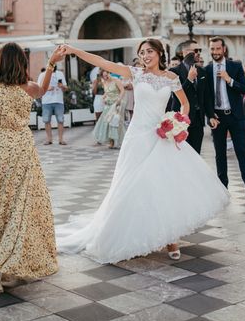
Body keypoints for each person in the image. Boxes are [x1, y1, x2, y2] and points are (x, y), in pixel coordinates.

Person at [55, 39, 229, 263]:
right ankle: (129, 234)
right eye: (142, 52)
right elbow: (101, 61)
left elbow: (184, 105)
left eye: (149, 51)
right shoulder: (135, 73)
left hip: (162, 137)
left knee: (163, 186)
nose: (145, 56)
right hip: (138, 137)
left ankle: (171, 237)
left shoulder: (172, 78)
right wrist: (74, 50)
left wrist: (177, 122)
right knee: (132, 185)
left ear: (159, 53)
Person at [0, 43, 62, 293]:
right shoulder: (28, 87)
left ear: (1, 61)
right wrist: (51, 63)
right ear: (21, 62)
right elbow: (42, 90)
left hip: (0, 148)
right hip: (23, 147)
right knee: (23, 203)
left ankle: (0, 261)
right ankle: (11, 260)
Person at [205, 37, 245, 197]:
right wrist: (209, 115)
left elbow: (244, 89)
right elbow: (206, 97)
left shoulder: (235, 66)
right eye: (212, 49)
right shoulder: (207, 70)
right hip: (218, 117)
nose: (215, 52)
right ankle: (223, 187)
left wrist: (229, 80)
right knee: (220, 153)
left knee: (241, 151)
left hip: (236, 116)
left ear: (224, 49)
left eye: (217, 49)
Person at [169, 39, 212, 154]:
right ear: (184, 52)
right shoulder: (174, 71)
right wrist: (189, 79)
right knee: (181, 153)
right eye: (196, 50)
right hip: (181, 119)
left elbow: (206, 96)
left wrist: (211, 115)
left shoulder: (202, 72)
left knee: (196, 153)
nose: (198, 53)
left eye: (200, 50)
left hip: (198, 119)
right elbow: (175, 93)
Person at [92, 70, 126, 148]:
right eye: (104, 76)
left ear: (109, 73)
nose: (106, 77)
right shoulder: (104, 82)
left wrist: (118, 100)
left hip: (116, 104)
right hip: (108, 104)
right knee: (106, 122)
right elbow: (107, 92)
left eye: (107, 75)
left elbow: (122, 91)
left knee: (115, 122)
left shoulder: (116, 80)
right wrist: (104, 97)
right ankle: (111, 141)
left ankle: (117, 141)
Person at [37, 64, 67, 145]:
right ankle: (49, 139)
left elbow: (66, 88)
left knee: (60, 120)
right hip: (46, 101)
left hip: (58, 100)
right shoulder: (42, 75)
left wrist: (62, 86)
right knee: (46, 120)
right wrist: (46, 88)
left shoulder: (60, 74)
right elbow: (38, 88)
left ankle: (61, 139)